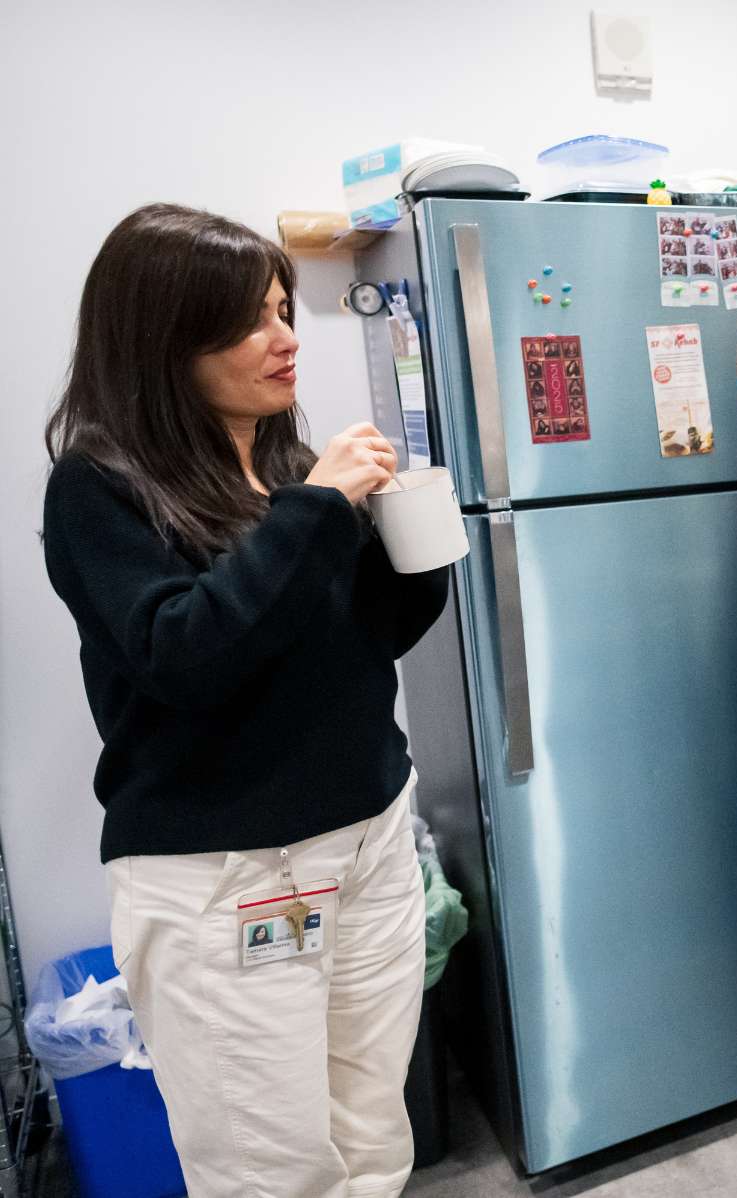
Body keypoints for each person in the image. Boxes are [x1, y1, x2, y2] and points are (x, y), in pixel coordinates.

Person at [41, 203, 448, 1198]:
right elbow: (185, 656)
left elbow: (358, 644)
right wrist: (317, 514)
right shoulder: (97, 488)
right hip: (235, 877)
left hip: (370, 843)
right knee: (273, 1174)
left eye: (282, 311)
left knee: (372, 1138)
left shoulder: (285, 467)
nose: (285, 338)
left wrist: (411, 547)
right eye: (248, 320)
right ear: (162, 340)